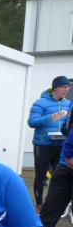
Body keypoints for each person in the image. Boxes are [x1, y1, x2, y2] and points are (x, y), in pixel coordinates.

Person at [28, 76, 72, 208]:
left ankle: (51, 204)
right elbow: (32, 122)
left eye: (68, 87)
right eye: (64, 87)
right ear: (55, 88)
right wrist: (51, 117)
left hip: (60, 144)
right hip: (43, 145)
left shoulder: (68, 104)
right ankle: (39, 205)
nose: (67, 90)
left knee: (58, 177)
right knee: (41, 176)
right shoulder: (40, 103)